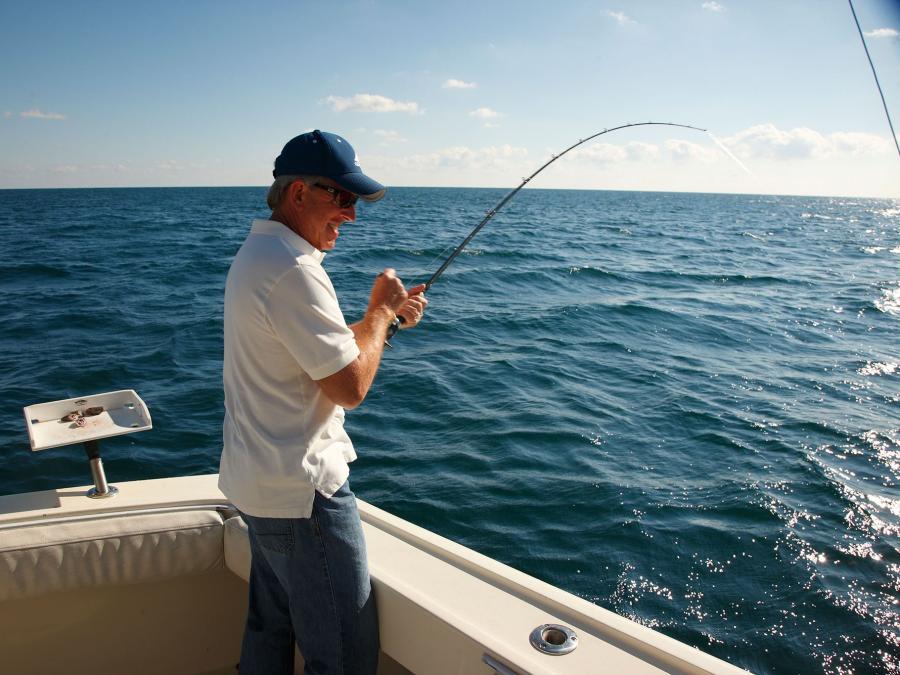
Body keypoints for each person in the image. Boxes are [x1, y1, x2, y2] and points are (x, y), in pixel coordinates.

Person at [218, 130, 428, 674]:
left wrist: (383, 322)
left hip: (259, 485)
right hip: (303, 496)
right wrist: (381, 313)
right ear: (298, 193)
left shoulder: (259, 254)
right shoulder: (294, 272)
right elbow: (348, 388)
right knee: (343, 654)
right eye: (340, 197)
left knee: (270, 627)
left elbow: (321, 354)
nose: (350, 215)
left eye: (353, 201)